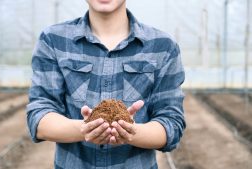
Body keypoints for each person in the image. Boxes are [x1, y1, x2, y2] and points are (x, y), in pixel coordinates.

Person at [27, 0, 186, 168]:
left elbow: (172, 124)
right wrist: (84, 128)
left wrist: (131, 132)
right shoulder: (54, 40)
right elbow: (39, 115)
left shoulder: (163, 46)